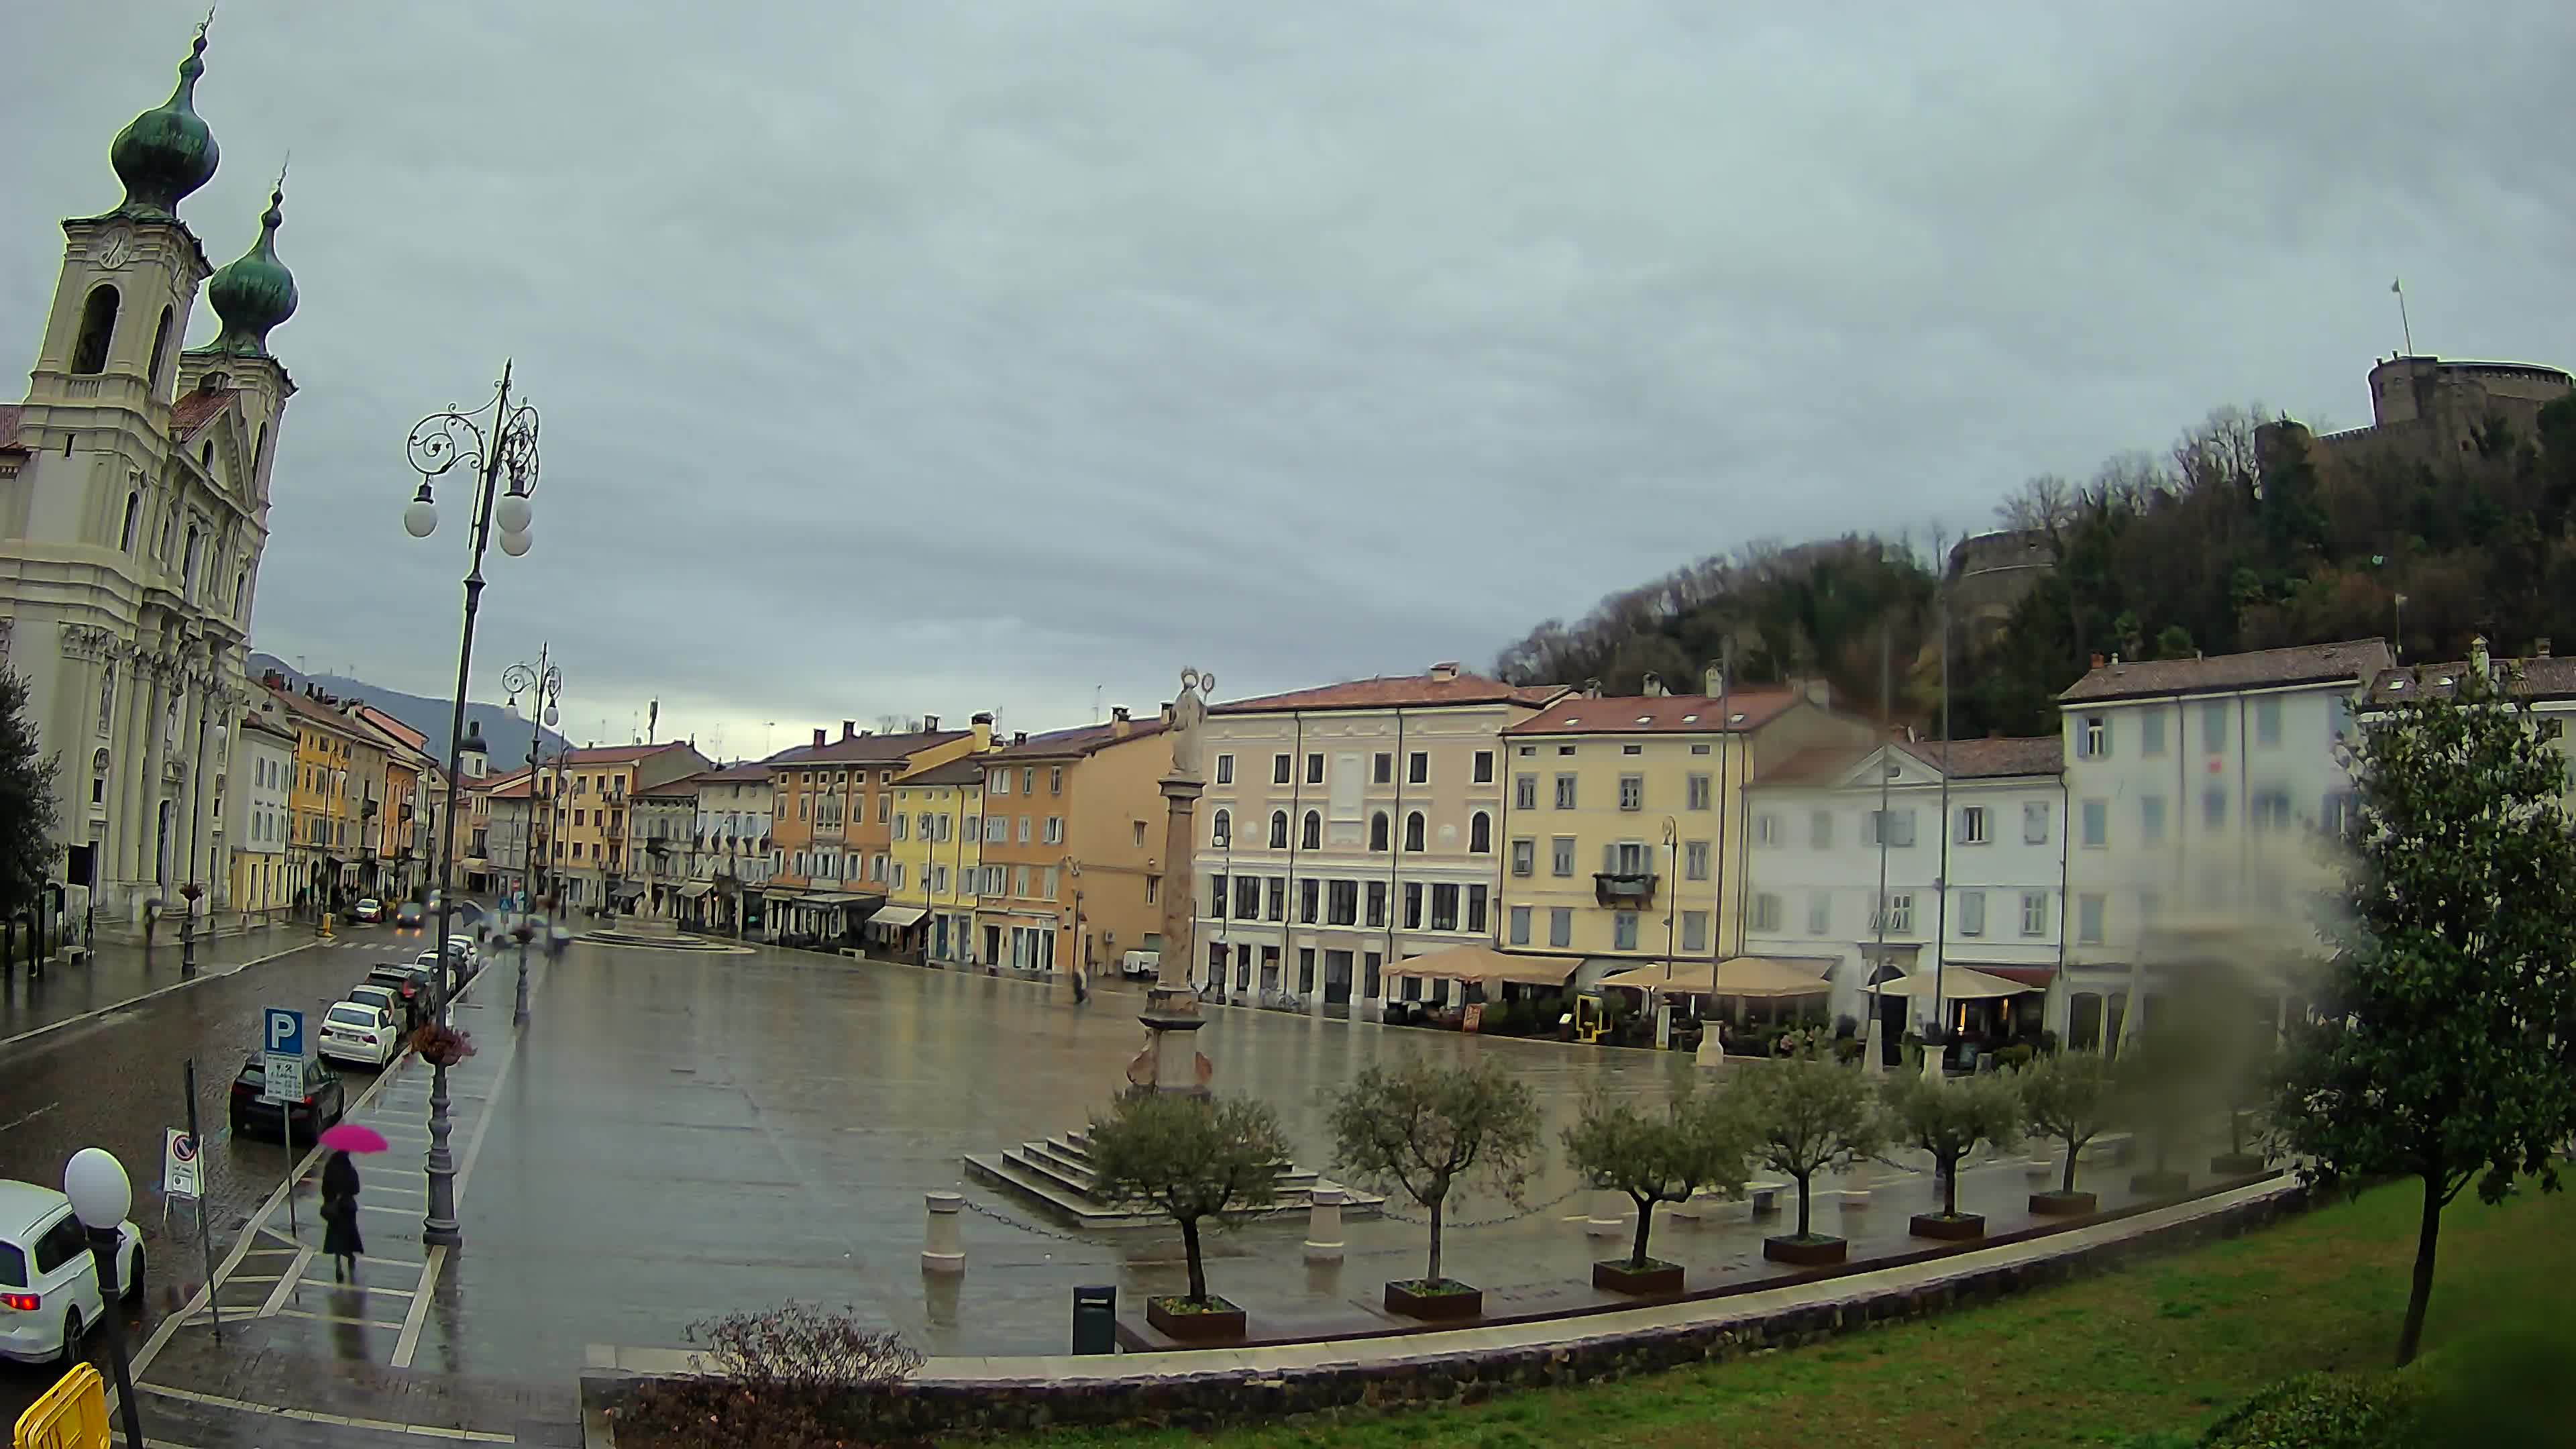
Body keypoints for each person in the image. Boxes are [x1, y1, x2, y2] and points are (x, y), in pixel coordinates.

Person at [321, 1149, 364, 1281]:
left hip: (335, 1210)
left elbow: (325, 1189)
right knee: (349, 1236)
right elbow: (356, 1189)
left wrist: (331, 1198)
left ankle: (338, 1265)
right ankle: (350, 1259)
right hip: (347, 1209)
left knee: (336, 1237)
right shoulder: (350, 1170)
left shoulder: (330, 1168)